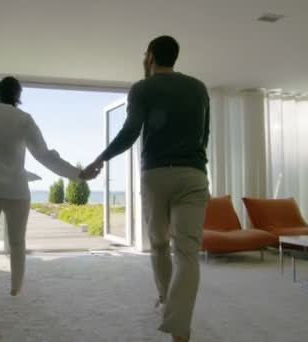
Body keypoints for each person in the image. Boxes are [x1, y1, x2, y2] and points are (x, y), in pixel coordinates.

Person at [81, 35, 210, 342]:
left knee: (160, 245)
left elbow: (130, 131)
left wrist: (100, 159)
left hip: (156, 176)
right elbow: (204, 134)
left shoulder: (142, 88)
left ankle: (166, 301)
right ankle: (179, 329)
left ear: (151, 56)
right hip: (193, 174)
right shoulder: (198, 87)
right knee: (187, 253)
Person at [0, 76, 81, 342]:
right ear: (18, 95)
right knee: (16, 242)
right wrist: (77, 174)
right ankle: (16, 287)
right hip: (16, 191)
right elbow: (45, 156)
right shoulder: (24, 119)